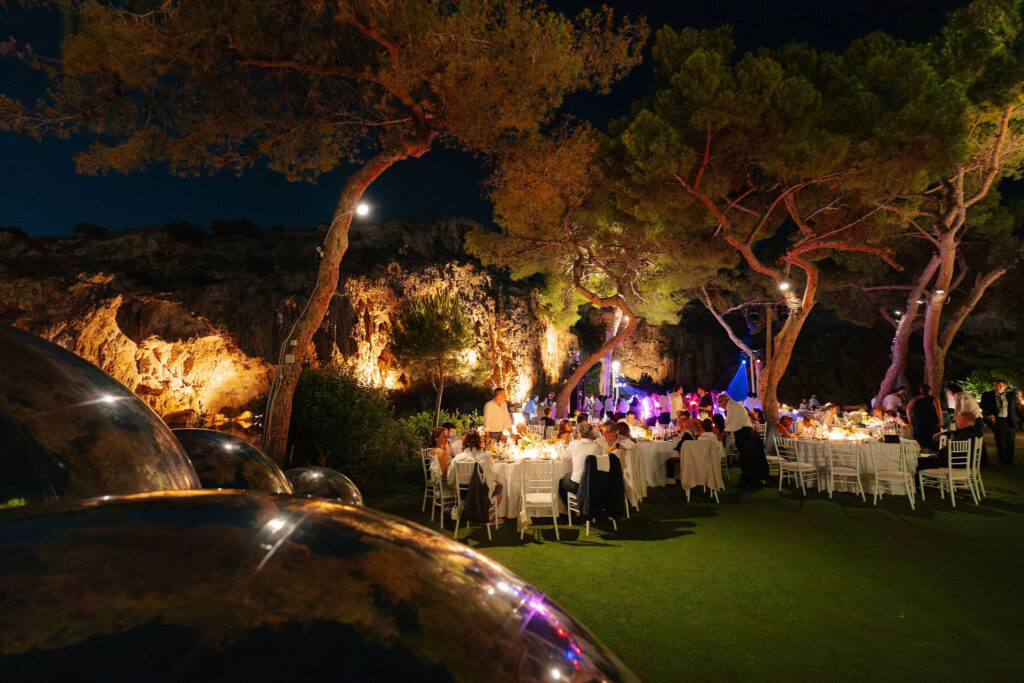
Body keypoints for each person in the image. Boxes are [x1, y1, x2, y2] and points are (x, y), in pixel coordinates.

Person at [718, 393, 768, 489]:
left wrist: (722, 434)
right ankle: (749, 480)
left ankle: (751, 482)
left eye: (719, 402)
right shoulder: (734, 405)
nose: (719, 405)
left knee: (747, 458)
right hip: (747, 433)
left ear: (724, 401)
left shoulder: (731, 406)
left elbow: (730, 423)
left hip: (745, 434)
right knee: (748, 458)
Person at [448, 431, 503, 504]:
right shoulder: (485, 457)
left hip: (462, 494)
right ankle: (487, 509)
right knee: (500, 486)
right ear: (479, 442)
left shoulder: (457, 458)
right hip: (480, 494)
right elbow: (490, 474)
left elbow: (450, 480)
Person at [918, 414, 983, 471]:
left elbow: (951, 449)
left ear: (962, 420)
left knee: (918, 462)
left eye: (957, 420)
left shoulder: (965, 434)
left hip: (956, 463)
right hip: (966, 463)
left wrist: (938, 454)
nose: (956, 422)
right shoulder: (976, 432)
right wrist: (942, 433)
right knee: (926, 460)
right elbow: (954, 432)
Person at [981, 379, 1020, 466]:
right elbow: (984, 407)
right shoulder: (987, 395)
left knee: (1011, 441)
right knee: (1000, 441)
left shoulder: (1011, 395)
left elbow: (1017, 408)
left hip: (1010, 420)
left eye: (1000, 386)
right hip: (997, 420)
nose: (997, 387)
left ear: (1005, 386)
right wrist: (989, 415)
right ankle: (1002, 459)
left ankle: (1009, 460)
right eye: (995, 385)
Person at [560, 422, 602, 497]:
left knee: (562, 481)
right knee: (569, 475)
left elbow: (564, 457)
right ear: (591, 434)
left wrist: (563, 448)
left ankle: (572, 504)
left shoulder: (574, 444)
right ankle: (583, 500)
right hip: (591, 485)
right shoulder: (598, 447)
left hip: (576, 486)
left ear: (579, 434)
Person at [907, 384, 942, 451]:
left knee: (923, 438)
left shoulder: (915, 399)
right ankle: (928, 451)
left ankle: (925, 451)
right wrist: (940, 420)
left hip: (922, 422)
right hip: (929, 422)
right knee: (928, 438)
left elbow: (908, 409)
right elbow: (938, 410)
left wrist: (910, 421)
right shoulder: (933, 399)